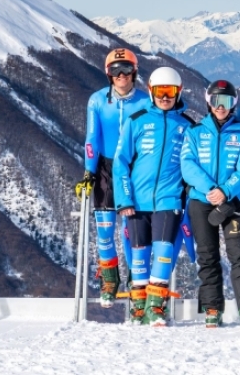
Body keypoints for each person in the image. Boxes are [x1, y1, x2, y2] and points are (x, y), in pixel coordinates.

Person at [181, 79, 240, 330]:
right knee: (207, 256)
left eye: (227, 102)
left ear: (233, 105)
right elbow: (188, 166)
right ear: (209, 103)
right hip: (202, 201)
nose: (221, 107)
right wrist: (210, 189)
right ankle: (212, 308)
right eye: (217, 101)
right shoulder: (195, 132)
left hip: (233, 202)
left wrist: (226, 191)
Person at [113, 66, 194, 326]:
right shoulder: (136, 121)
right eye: (160, 91)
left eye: (170, 91)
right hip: (137, 201)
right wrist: (124, 199)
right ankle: (138, 308)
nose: (165, 97)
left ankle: (155, 308)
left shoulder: (187, 126)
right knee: (139, 254)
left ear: (178, 92)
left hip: (169, 200)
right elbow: (120, 163)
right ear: (151, 91)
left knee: (163, 251)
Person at [75, 48, 151, 308]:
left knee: (131, 231)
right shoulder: (97, 100)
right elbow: (91, 138)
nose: (122, 75)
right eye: (115, 71)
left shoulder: (145, 101)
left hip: (134, 168)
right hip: (106, 169)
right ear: (108, 74)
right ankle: (109, 278)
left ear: (135, 72)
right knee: (105, 230)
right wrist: (89, 171)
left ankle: (136, 279)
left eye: (127, 69)